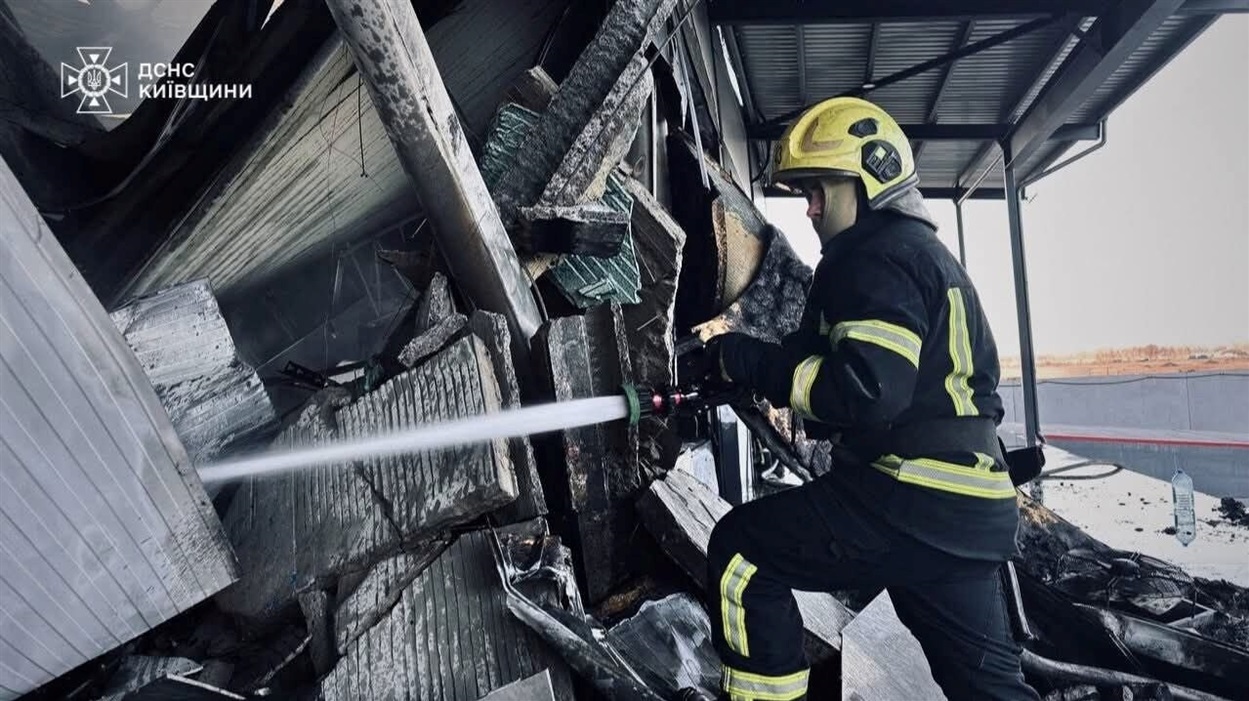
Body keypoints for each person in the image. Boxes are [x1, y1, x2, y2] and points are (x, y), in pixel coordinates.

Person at [697, 97, 1042, 700]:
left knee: (742, 552)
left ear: (869, 181)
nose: (809, 209)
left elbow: (867, 390)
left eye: (818, 190)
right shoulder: (930, 261)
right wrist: (761, 373)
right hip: (971, 510)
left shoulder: (872, 255)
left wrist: (746, 359)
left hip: (911, 495)